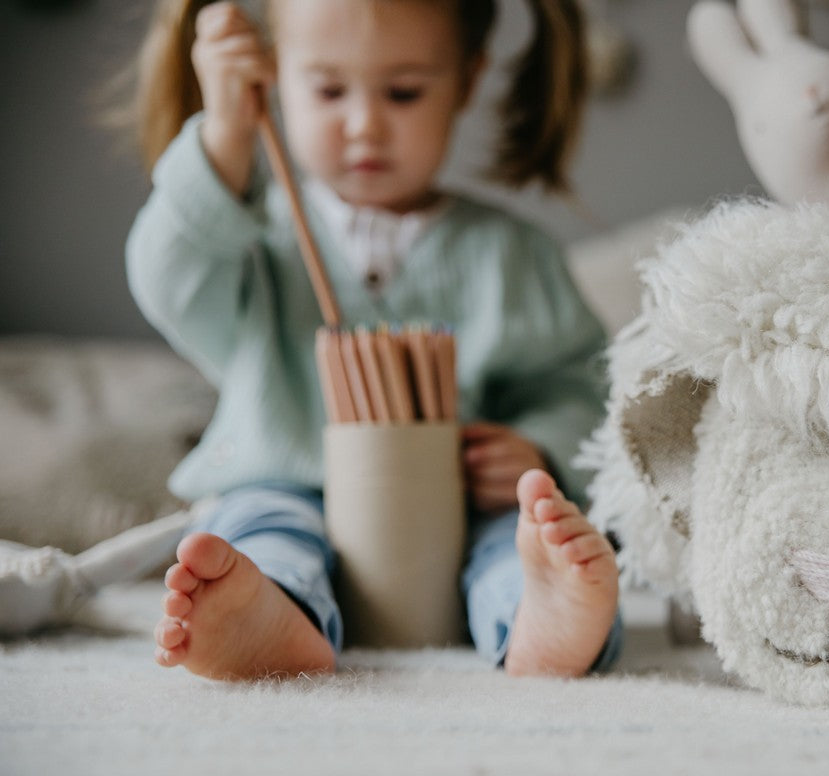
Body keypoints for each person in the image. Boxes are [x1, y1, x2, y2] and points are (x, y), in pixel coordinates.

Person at [125, 0, 620, 681]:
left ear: (467, 80)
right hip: (287, 485)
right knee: (259, 534)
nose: (365, 126)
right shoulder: (250, 238)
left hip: (453, 513)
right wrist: (225, 137)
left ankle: (539, 620)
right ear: (271, 81)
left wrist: (539, 451)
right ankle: (272, 613)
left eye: (404, 92)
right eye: (328, 90)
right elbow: (166, 279)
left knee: (519, 541)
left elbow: (582, 389)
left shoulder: (511, 254)